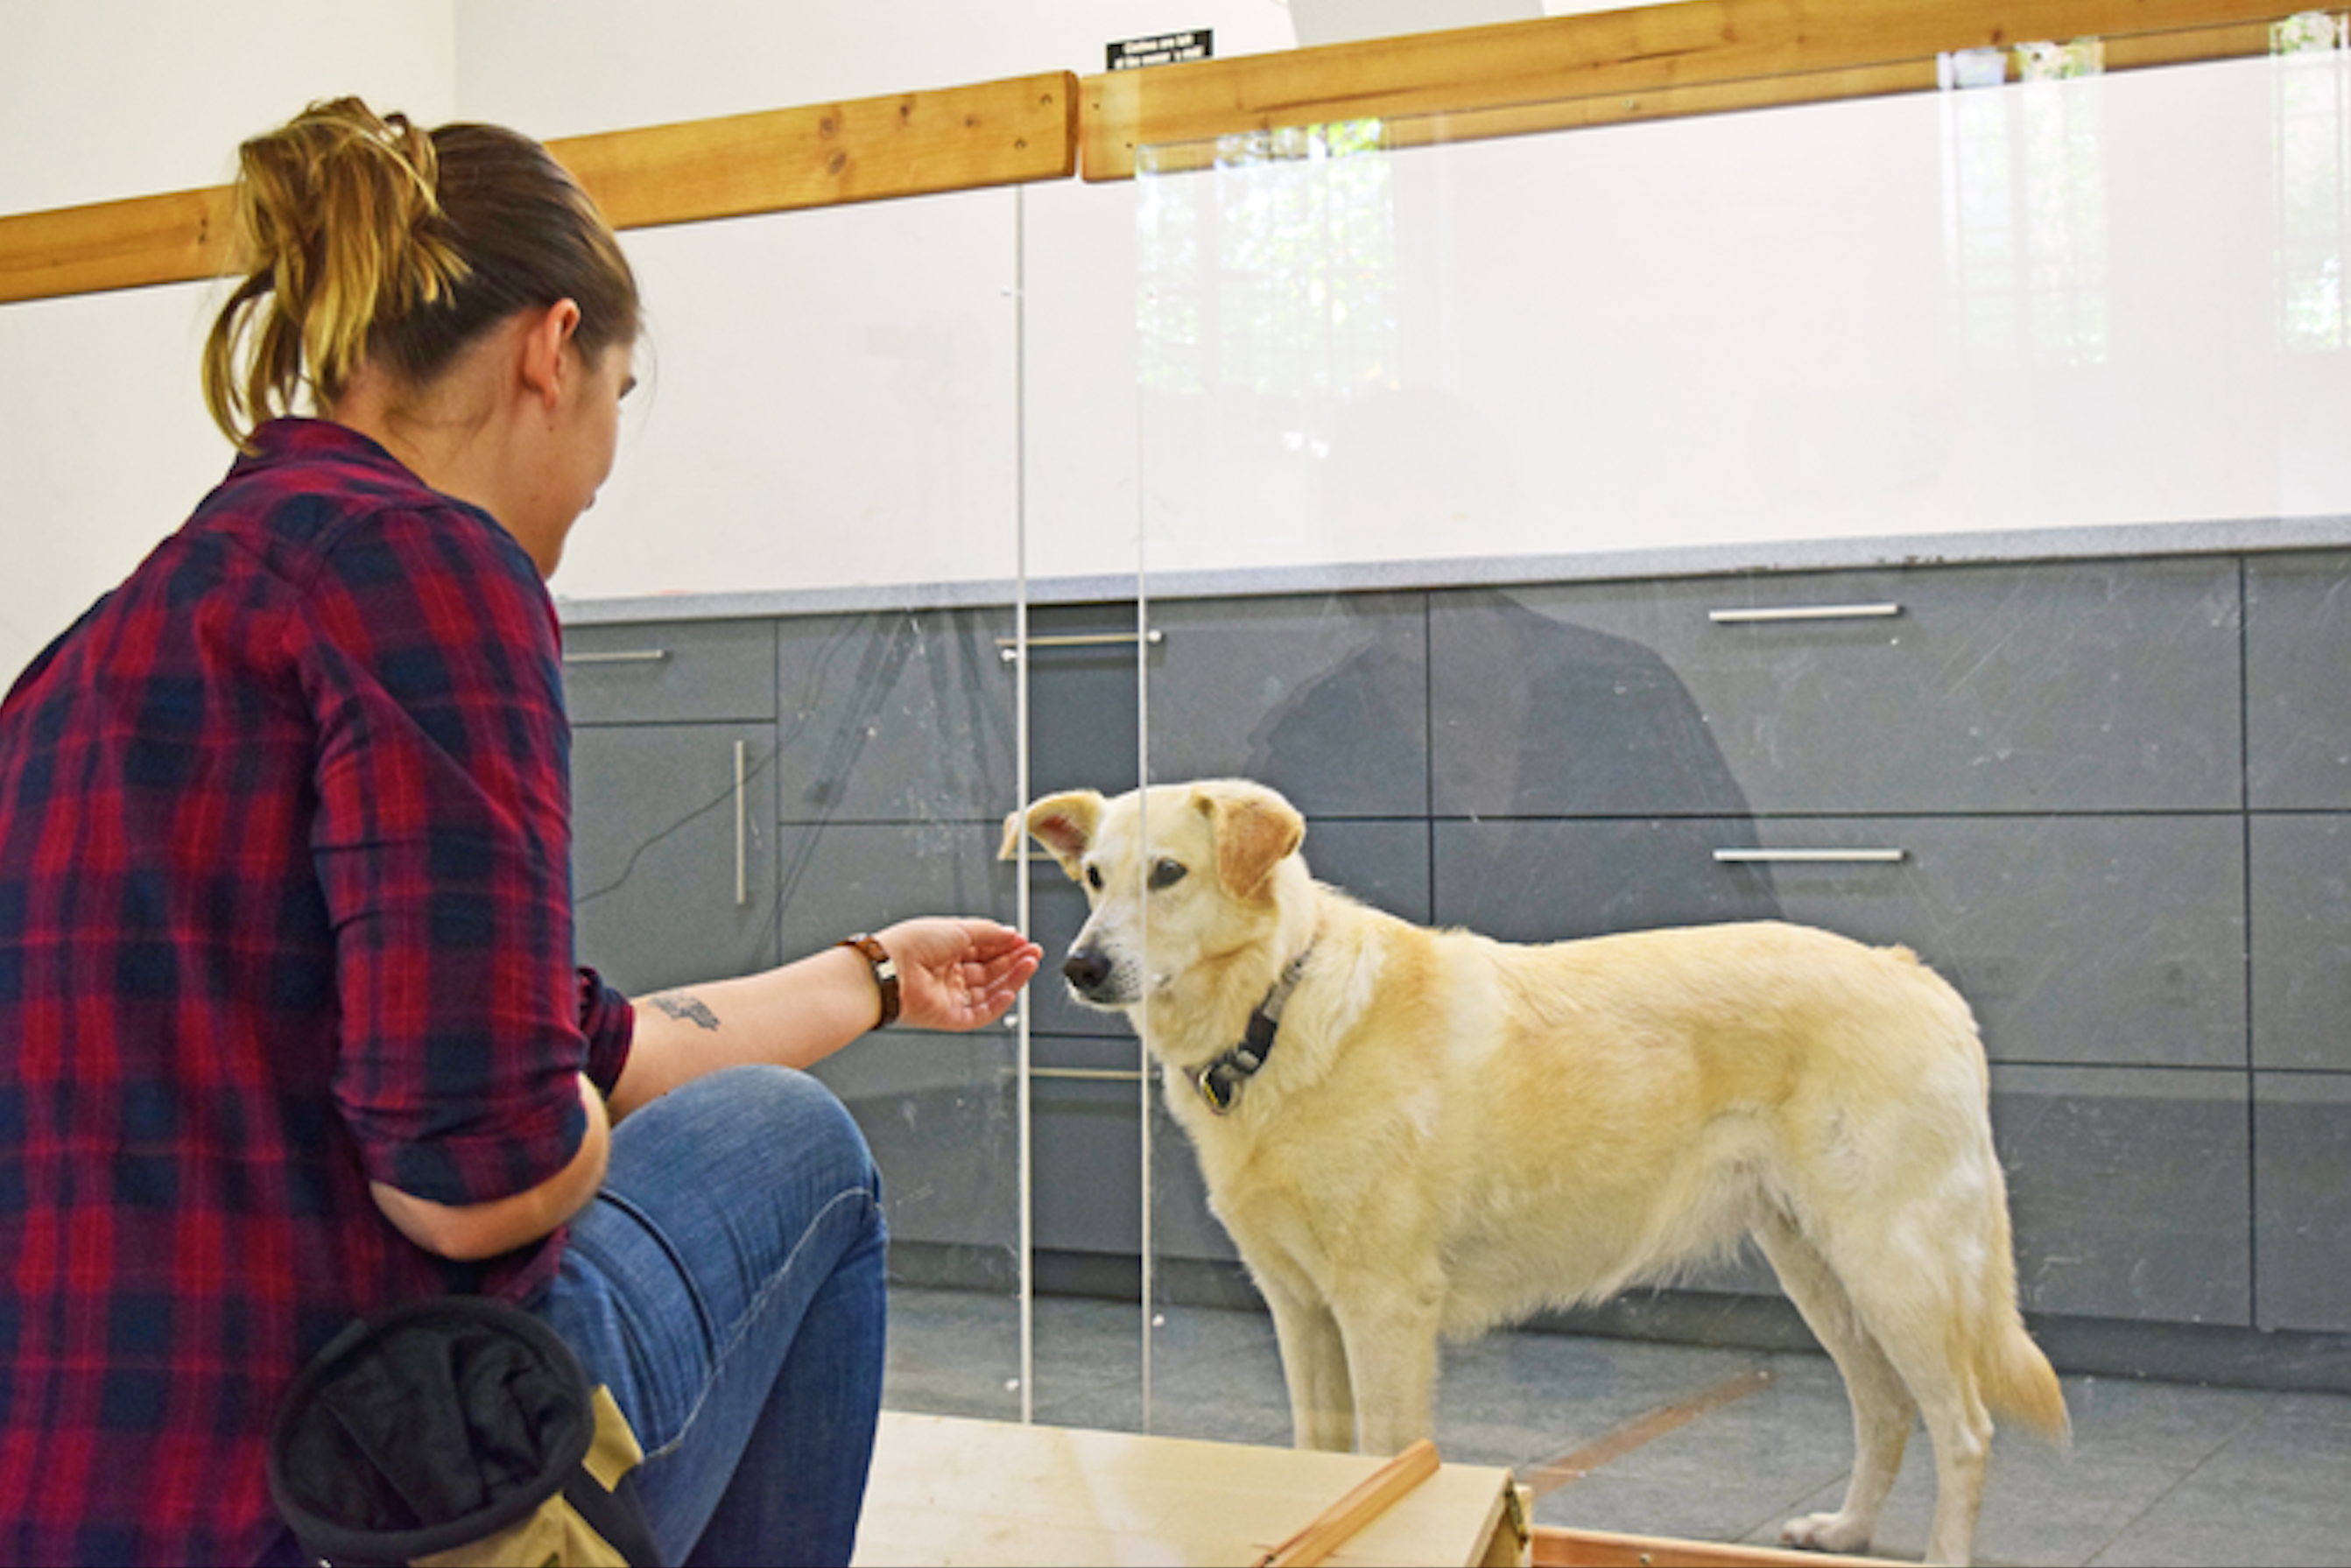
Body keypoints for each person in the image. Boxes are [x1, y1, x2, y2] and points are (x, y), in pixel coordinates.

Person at [0, 96, 1042, 1567]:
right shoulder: (432, 567)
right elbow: (473, 1176)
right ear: (552, 350)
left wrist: (873, 975)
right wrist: (565, 1131)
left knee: (730, 1104)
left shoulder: (95, 653)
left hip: (78, 1506)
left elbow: (579, 1039)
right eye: (618, 389)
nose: (605, 461)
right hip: (341, 1502)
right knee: (798, 1142)